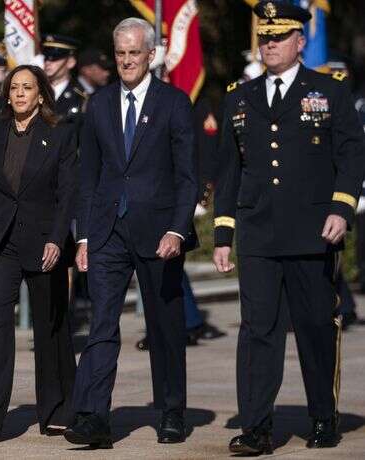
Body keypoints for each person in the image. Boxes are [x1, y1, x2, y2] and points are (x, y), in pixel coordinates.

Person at [213, 1, 365, 454]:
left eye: (280, 36)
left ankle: (323, 416)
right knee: (257, 331)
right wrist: (223, 235)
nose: (271, 43)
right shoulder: (239, 97)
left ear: (300, 42)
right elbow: (228, 171)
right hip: (259, 234)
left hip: (313, 232)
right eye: (266, 36)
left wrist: (341, 209)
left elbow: (351, 156)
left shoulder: (329, 91)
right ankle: (257, 427)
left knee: (316, 327)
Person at [64, 17, 198, 448]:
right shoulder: (98, 104)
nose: (126, 61)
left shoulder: (174, 103)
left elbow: (187, 176)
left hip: (159, 233)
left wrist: (178, 229)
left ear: (151, 55)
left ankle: (172, 411)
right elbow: (88, 174)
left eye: (134, 53)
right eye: (120, 53)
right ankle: (91, 415)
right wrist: (83, 236)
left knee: (164, 327)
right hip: (106, 232)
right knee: (101, 323)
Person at [0, 65, 77, 445]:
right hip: (1, 241)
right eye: (14, 88)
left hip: (44, 240)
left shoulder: (59, 135)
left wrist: (58, 240)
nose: (20, 94)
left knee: (50, 325)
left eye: (28, 88)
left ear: (41, 94)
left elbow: (66, 195)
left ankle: (57, 410)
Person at [42, 34, 88, 127]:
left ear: (71, 62)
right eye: (46, 57)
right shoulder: (36, 91)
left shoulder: (80, 98)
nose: (48, 62)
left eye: (55, 57)